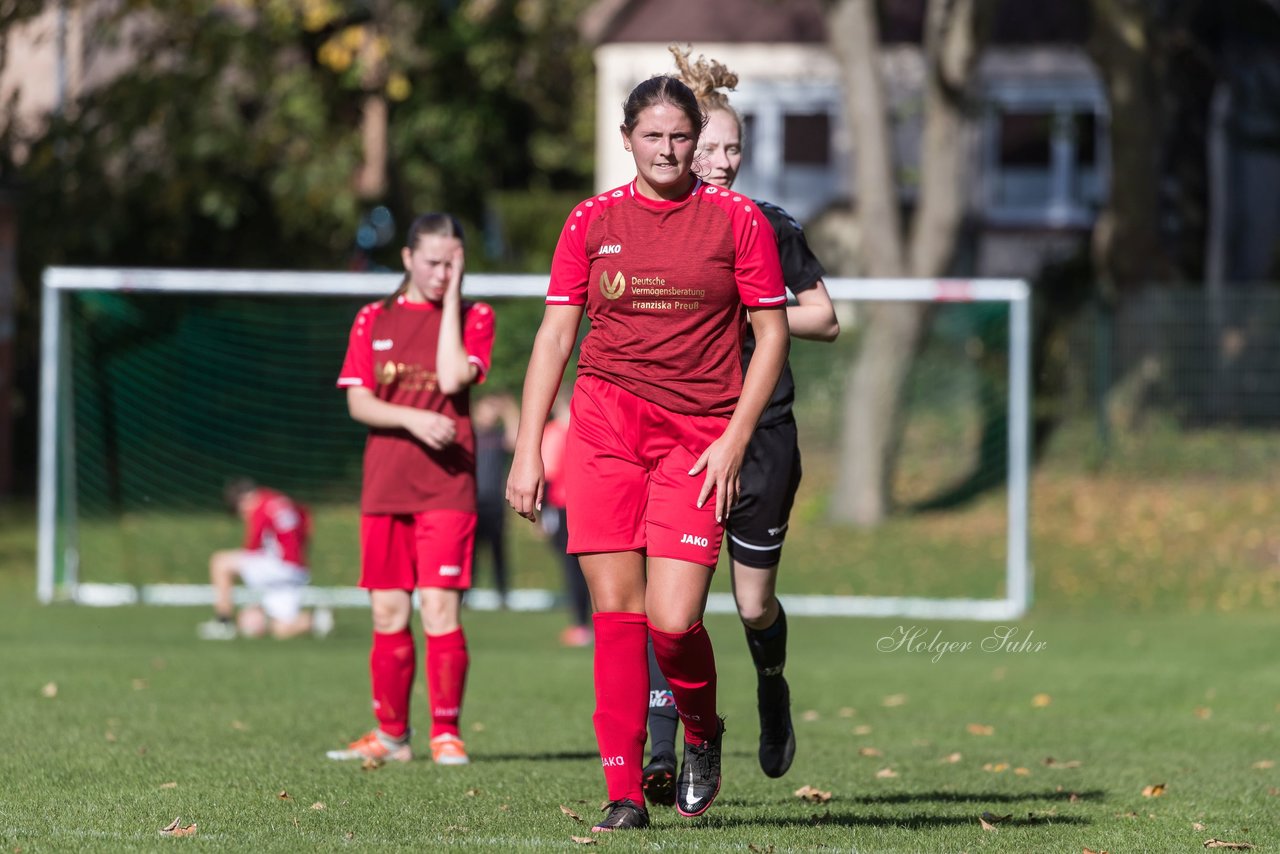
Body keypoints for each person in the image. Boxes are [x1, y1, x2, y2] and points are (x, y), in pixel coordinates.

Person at [506, 74, 790, 831]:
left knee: (674, 622)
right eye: (652, 135)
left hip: (698, 442)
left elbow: (773, 337)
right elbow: (556, 337)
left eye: (680, 136)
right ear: (626, 138)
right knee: (617, 615)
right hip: (603, 431)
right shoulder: (590, 221)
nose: (667, 150)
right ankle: (625, 793)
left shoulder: (736, 221)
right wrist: (529, 449)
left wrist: (734, 438)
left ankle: (702, 730)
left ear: (697, 142)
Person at [640, 45, 843, 806]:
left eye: (732, 149)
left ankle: (770, 684)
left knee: (752, 604)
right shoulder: (657, 223)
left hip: (760, 437)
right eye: (710, 146)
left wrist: (756, 302)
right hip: (685, 433)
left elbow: (824, 316)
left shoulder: (765, 225)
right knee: (671, 602)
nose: (720, 161)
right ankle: (667, 749)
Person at [328, 213, 495, 767]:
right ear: (406, 259)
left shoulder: (475, 316)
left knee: (440, 611)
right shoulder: (372, 317)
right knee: (387, 615)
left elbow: (451, 380)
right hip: (386, 486)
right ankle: (392, 737)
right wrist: (413, 420)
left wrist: (451, 301)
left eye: (453, 263)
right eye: (432, 262)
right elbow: (358, 402)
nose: (442, 273)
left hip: (447, 488)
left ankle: (446, 734)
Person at [197, 478, 333, 641]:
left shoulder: (260, 505)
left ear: (243, 500)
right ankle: (315, 620)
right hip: (297, 569)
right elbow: (306, 517)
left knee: (220, 563)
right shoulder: (279, 499)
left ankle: (223, 623)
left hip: (279, 566)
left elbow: (253, 546)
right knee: (281, 629)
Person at [539, 391, 592, 647]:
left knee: (572, 569)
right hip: (591, 505)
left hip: (564, 508)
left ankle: (581, 625)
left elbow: (547, 475)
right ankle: (592, 622)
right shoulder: (589, 431)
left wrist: (542, 515)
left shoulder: (555, 433)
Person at [471, 392, 518, 607]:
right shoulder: (470, 435)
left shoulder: (498, 437)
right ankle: (465, 594)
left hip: (495, 503)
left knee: (498, 551)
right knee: (470, 553)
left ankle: (502, 594)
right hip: (472, 502)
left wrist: (508, 408)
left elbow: (515, 439)